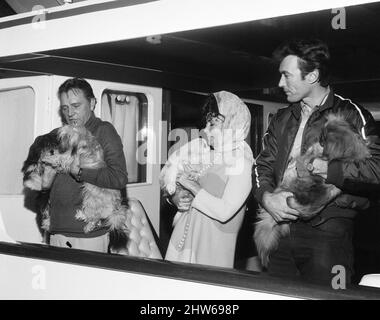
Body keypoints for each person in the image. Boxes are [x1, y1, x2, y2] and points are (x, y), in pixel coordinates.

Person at [253, 38, 380, 284]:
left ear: (312, 76)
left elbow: (376, 169)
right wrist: (267, 198)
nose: (280, 83)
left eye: (287, 76)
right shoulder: (281, 118)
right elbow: (262, 165)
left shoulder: (352, 114)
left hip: (328, 234)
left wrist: (328, 169)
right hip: (281, 230)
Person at [28, 77, 128, 252]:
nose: (70, 113)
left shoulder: (104, 131)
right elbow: (33, 179)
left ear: (92, 103)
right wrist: (44, 183)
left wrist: (80, 172)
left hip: (88, 235)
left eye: (76, 106)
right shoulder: (57, 135)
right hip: (56, 231)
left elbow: (119, 177)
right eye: (65, 108)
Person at [164, 91, 254, 268]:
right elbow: (171, 185)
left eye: (212, 124)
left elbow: (224, 212)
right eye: (206, 123)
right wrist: (176, 198)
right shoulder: (205, 152)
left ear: (231, 126)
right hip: (182, 243)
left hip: (212, 249)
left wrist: (191, 185)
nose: (205, 130)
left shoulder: (242, 163)